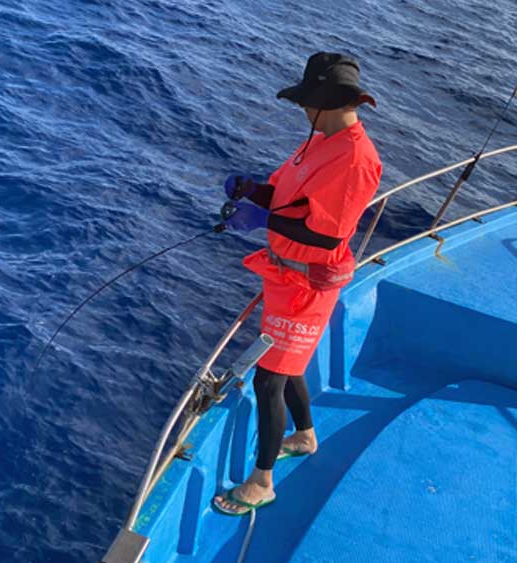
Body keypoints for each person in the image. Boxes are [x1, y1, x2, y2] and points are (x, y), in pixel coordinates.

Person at [212, 52, 383, 516]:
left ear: (326, 101)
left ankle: (261, 482)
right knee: (286, 368)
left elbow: (326, 233)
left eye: (307, 101)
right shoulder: (320, 139)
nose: (303, 109)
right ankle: (305, 435)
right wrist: (254, 192)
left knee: (269, 377)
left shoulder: (356, 159)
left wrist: (262, 218)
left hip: (307, 287)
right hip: (284, 275)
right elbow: (291, 201)